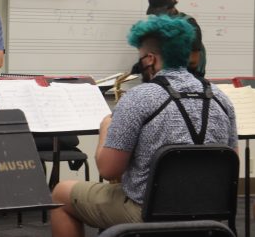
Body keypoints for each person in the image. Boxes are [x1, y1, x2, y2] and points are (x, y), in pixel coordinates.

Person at [51, 15, 238, 237]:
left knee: (61, 194)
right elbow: (230, 161)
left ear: (149, 59)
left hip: (148, 213)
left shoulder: (139, 97)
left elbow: (108, 170)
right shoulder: (221, 99)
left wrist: (105, 130)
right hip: (210, 214)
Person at [132, 0, 206, 77]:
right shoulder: (161, 27)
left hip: (191, 77)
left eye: (160, 12)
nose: (158, 15)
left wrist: (163, 63)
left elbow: (194, 61)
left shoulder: (189, 24)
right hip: (167, 78)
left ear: (171, 6)